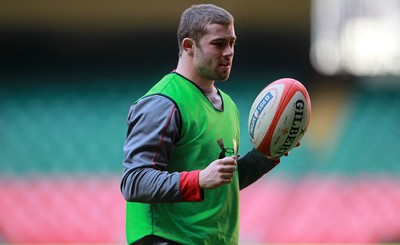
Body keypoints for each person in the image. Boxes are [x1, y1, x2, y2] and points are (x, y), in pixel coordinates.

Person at [121, 4, 291, 245]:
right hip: (165, 239)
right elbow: (134, 181)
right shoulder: (163, 103)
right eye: (219, 43)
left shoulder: (229, 105)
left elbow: (221, 183)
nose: (229, 51)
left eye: (232, 43)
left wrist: (267, 154)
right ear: (189, 46)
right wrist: (199, 179)